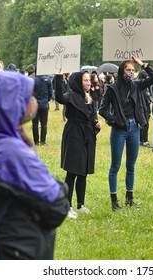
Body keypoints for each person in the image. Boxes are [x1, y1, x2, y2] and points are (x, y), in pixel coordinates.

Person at [0, 71, 69, 259]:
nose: (32, 103)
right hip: (17, 251)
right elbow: (57, 206)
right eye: (26, 97)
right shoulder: (9, 152)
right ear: (6, 104)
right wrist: (59, 186)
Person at [99, 55, 153, 211]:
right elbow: (102, 109)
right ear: (122, 70)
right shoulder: (112, 88)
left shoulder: (136, 85)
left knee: (131, 165)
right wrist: (114, 120)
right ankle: (114, 200)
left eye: (133, 70)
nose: (131, 73)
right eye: (128, 70)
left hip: (134, 128)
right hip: (119, 129)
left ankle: (129, 198)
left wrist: (142, 64)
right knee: (115, 166)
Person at [55, 71, 101, 218]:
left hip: (87, 135)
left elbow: (92, 116)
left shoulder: (90, 97)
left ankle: (81, 205)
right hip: (74, 134)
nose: (88, 83)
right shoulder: (71, 95)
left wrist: (96, 124)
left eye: (89, 80)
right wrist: (58, 77)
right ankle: (67, 207)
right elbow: (60, 98)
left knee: (83, 171)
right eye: (85, 81)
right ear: (77, 82)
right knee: (73, 171)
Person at [32, 74, 53, 146]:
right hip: (44, 104)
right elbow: (50, 92)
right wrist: (47, 100)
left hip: (35, 104)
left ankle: (36, 141)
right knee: (44, 123)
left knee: (35, 123)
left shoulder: (33, 80)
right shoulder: (48, 80)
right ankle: (43, 141)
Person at [137, 70, 153, 148]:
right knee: (144, 124)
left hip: (146, 107)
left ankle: (141, 140)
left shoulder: (145, 86)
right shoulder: (141, 86)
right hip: (143, 108)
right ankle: (144, 141)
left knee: (144, 124)